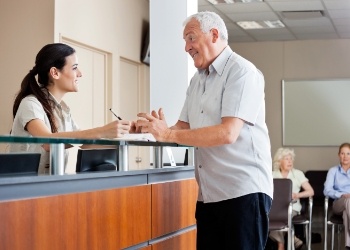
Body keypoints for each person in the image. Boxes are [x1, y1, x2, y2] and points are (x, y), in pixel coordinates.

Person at [136, 11, 273, 250]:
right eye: (185, 41)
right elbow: (182, 129)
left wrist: (168, 134)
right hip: (209, 195)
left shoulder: (242, 72)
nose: (186, 47)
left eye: (191, 38)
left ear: (214, 35)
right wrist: (152, 130)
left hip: (243, 192)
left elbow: (227, 133)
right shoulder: (197, 80)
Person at [9, 43, 133, 174]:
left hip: (49, 185)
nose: (80, 74)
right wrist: (102, 131)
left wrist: (125, 134)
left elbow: (84, 143)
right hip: (23, 187)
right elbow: (47, 142)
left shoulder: (63, 110)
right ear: (55, 73)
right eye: (74, 68)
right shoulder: (30, 104)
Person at [270, 147, 314, 250]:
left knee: (282, 216)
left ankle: (280, 246)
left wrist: (297, 195)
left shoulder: (298, 174)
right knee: (270, 217)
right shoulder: (272, 175)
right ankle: (294, 239)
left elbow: (311, 191)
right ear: (279, 161)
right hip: (275, 208)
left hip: (292, 207)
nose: (290, 161)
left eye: (291, 159)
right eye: (286, 159)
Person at [324, 142, 350, 249]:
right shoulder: (333, 171)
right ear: (339, 155)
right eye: (343, 153)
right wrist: (342, 194)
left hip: (347, 209)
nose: (345, 156)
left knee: (346, 213)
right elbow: (327, 191)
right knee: (348, 201)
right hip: (338, 203)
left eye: (348, 153)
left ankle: (348, 245)